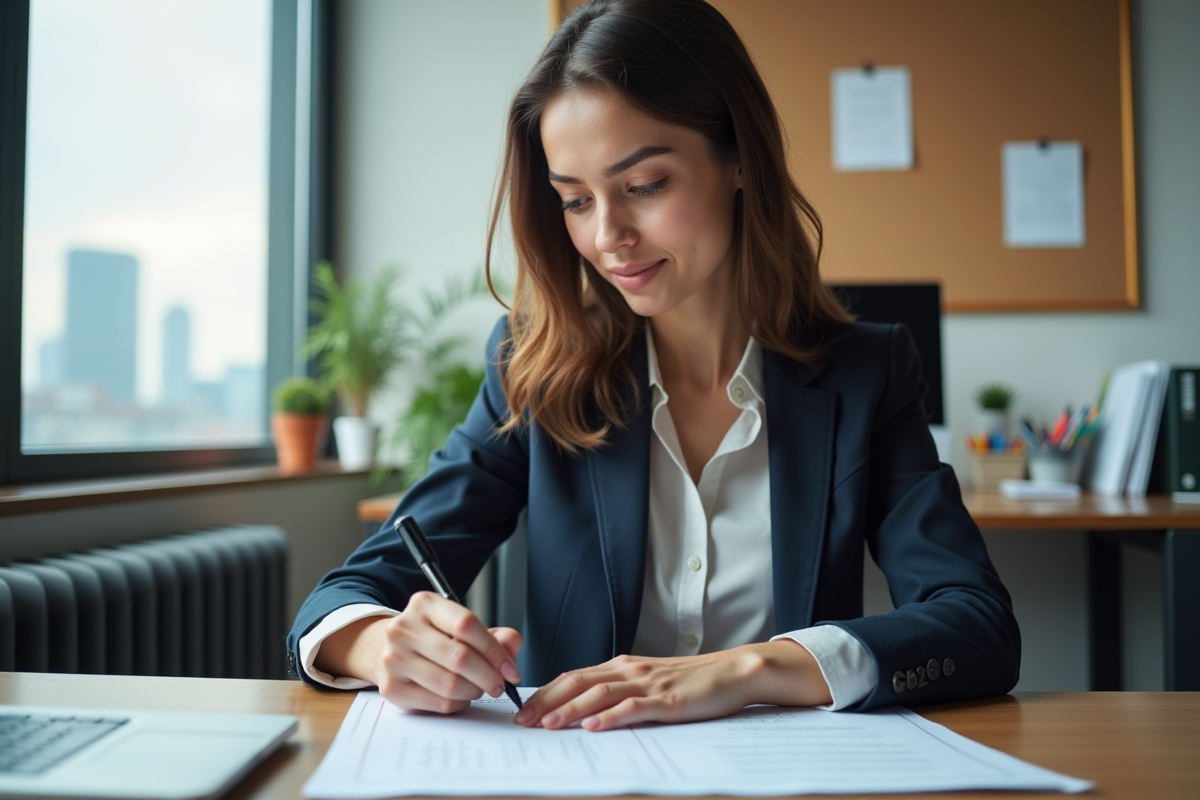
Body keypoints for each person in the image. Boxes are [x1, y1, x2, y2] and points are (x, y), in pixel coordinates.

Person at [288, 0, 1020, 731]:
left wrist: (748, 669)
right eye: (575, 200)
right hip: (578, 767)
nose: (609, 236)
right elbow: (341, 600)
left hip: (784, 772)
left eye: (644, 186)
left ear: (739, 157)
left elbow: (977, 623)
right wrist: (382, 643)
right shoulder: (534, 369)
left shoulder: (868, 372)